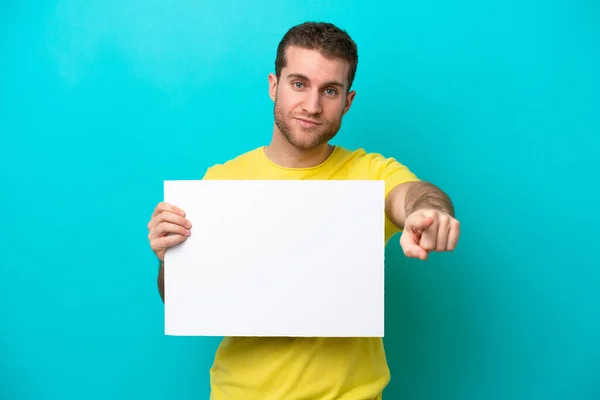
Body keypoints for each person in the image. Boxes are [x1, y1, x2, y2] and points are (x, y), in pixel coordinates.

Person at [147, 21, 460, 400]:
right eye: (299, 84)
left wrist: (429, 212)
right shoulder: (222, 181)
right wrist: (169, 259)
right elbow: (183, 297)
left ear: (348, 101)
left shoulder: (371, 174)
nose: (312, 106)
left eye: (330, 90)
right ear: (273, 86)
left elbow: (414, 195)